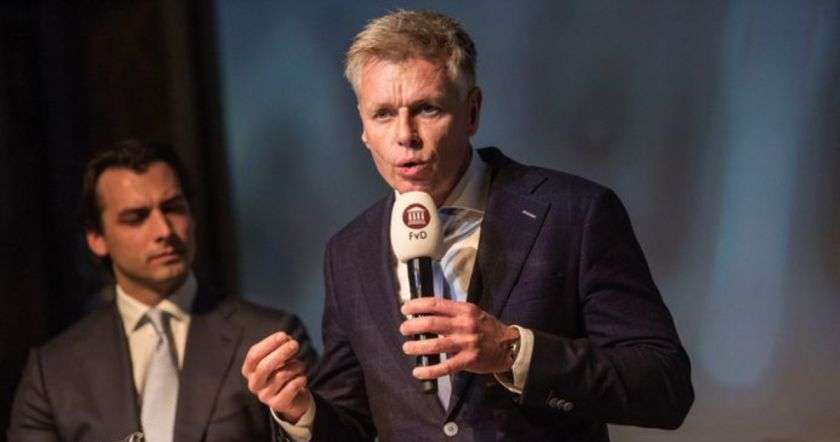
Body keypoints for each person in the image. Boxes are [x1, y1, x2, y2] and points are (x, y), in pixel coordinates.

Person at [243, 10, 693, 441]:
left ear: (472, 112)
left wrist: (513, 351)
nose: (405, 135)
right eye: (383, 114)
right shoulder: (348, 252)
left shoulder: (574, 213)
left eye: (427, 109)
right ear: (363, 127)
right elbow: (352, 421)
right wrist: (300, 412)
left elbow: (664, 386)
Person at [8, 140, 317, 442]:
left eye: (173, 208)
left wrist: (296, 418)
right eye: (136, 217)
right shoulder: (53, 371)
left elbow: (332, 432)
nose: (164, 231)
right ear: (97, 239)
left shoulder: (270, 337)